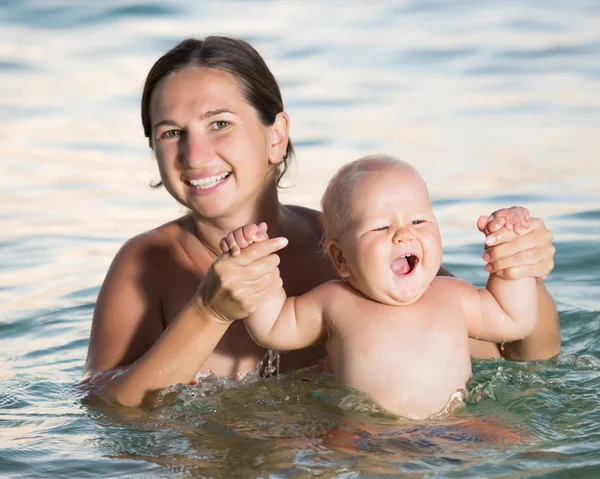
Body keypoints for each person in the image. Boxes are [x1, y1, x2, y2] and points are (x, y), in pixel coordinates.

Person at [82, 36, 560, 408]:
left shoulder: (357, 245)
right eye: (171, 133)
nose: (195, 154)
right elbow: (108, 410)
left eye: (220, 123)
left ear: (277, 136)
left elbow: (523, 359)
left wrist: (522, 271)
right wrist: (209, 313)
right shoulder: (145, 264)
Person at [220, 155, 539, 420]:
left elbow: (514, 319)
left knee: (513, 441)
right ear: (341, 258)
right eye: (381, 227)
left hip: (457, 425)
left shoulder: (453, 294)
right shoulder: (334, 302)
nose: (403, 235)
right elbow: (274, 328)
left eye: (418, 222)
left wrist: (511, 254)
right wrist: (255, 265)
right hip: (369, 435)